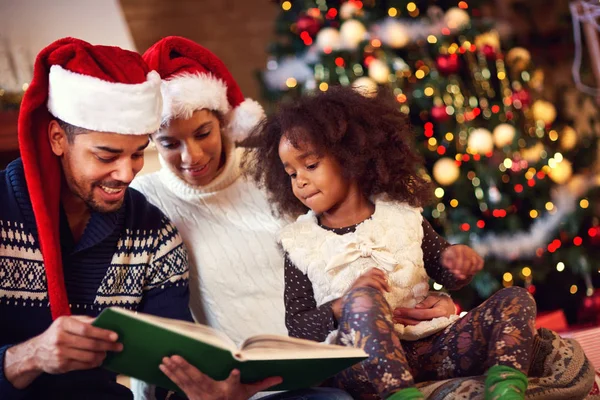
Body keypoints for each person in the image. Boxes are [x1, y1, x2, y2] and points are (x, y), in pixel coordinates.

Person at [131, 36, 457, 399]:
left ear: (223, 120)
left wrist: (427, 299)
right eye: (168, 142)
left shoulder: (279, 169)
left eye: (203, 133)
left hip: (337, 356)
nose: (191, 156)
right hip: (247, 386)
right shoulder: (148, 202)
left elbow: (364, 243)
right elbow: (150, 315)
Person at [245, 86, 537, 400]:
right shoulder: (299, 242)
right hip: (359, 367)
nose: (299, 181)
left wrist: (458, 262)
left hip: (431, 347)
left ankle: (506, 390)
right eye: (291, 173)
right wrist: (343, 306)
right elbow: (298, 328)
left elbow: (442, 268)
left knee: (516, 298)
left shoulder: (402, 215)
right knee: (363, 300)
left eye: (311, 165)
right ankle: (400, 396)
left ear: (350, 157)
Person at [0, 37, 226, 400]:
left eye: (137, 153)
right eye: (106, 156)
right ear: (58, 138)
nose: (126, 173)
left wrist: (197, 390)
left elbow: (169, 365)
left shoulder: (152, 233)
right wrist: (27, 357)